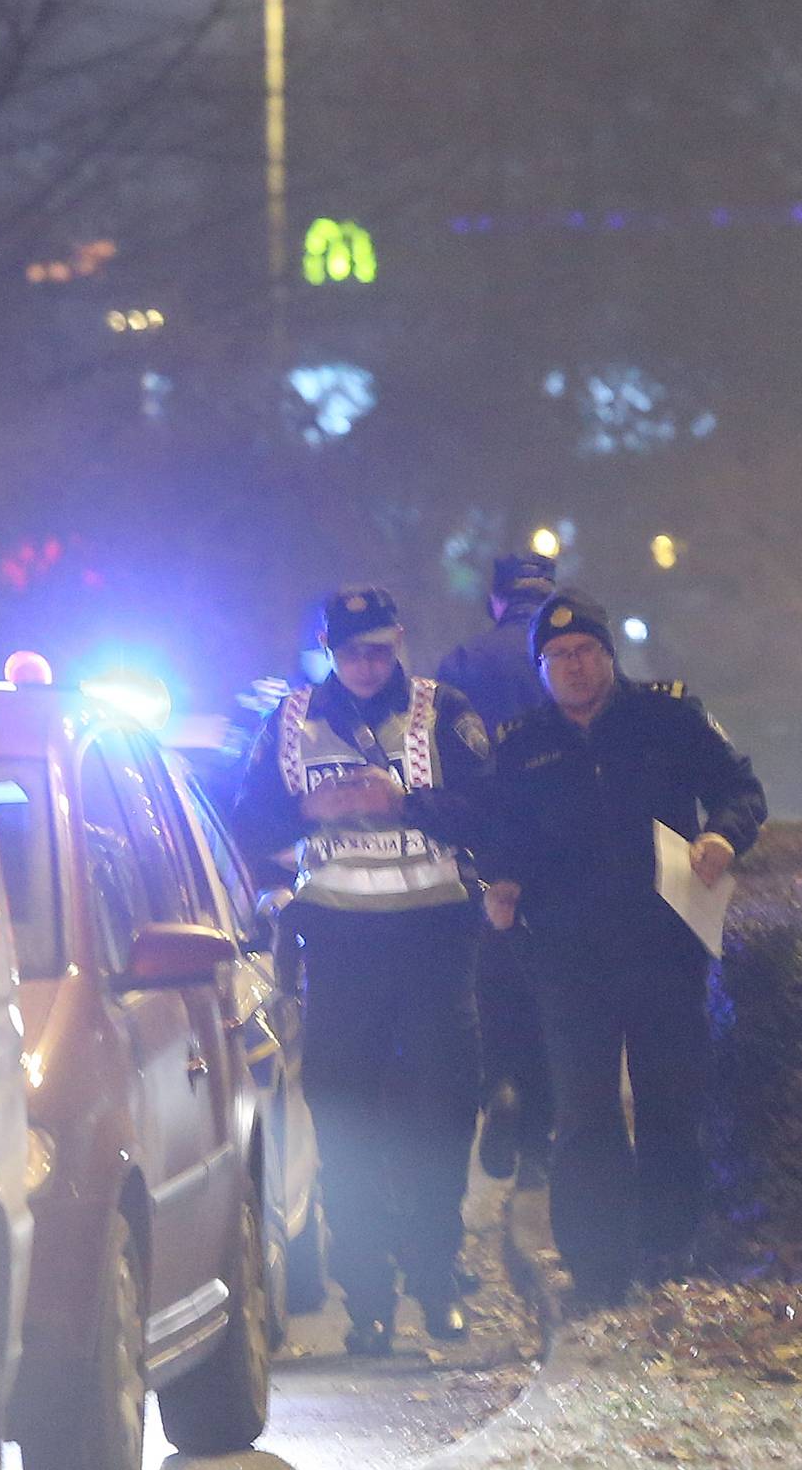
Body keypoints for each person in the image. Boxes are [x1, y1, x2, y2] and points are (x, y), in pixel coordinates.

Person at [482, 591, 767, 1308]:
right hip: (568, 955)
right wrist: (501, 878)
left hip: (663, 942)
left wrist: (723, 836)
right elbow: (499, 832)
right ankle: (596, 1263)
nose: (574, 667)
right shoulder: (520, 745)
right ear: (540, 668)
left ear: (609, 655)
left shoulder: (668, 717)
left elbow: (739, 786)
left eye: (586, 652)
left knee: (671, 1096)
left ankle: (668, 1246)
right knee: (584, 1110)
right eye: (557, 657)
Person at [233, 585, 491, 1356]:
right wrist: (307, 813)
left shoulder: (443, 711)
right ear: (328, 650)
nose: (366, 664)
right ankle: (368, 1300)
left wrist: (405, 799)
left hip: (435, 943)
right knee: (345, 1124)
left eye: (379, 648)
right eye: (351, 651)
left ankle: (438, 1280)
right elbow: (246, 817)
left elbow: (492, 809)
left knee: (443, 1116)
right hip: (340, 949)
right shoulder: (287, 721)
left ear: (400, 640)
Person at [437, 555, 559, 1191]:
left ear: (495, 599)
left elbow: (436, 758)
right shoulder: (567, 651)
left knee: (486, 988)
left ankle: (498, 1088)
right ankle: (539, 1137)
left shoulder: (461, 662)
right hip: (556, 859)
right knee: (549, 994)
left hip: (478, 857)